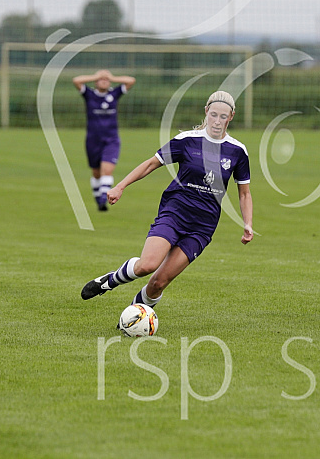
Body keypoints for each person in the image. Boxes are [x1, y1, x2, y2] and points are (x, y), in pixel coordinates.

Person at [80, 91, 253, 313]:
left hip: (202, 226)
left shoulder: (238, 151)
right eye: (213, 114)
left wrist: (247, 223)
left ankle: (134, 317)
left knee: (158, 283)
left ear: (231, 117)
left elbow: (244, 193)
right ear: (206, 112)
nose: (217, 121)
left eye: (223, 116)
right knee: (147, 266)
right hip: (175, 213)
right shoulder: (187, 140)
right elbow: (151, 164)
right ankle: (110, 281)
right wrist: (120, 186)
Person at [72, 69, 136, 211]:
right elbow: (76, 80)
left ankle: (103, 199)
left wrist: (112, 77)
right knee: (96, 172)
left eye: (106, 79)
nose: (104, 80)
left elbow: (131, 80)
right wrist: (96, 75)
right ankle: (97, 196)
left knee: (107, 170)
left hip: (111, 139)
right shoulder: (89, 95)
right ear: (95, 81)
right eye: (101, 79)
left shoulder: (114, 94)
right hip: (93, 140)